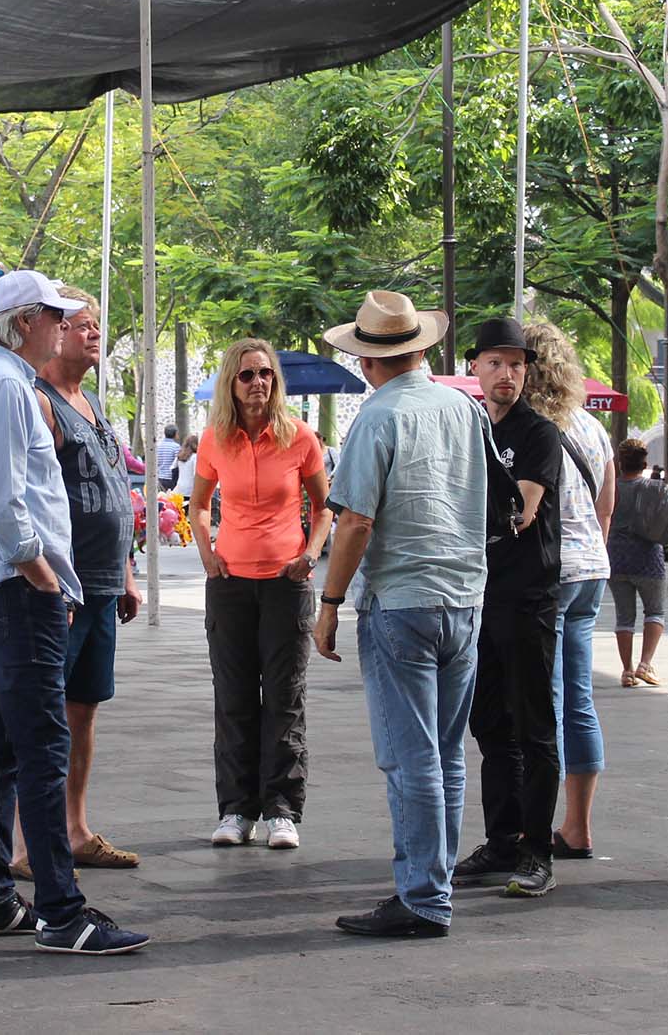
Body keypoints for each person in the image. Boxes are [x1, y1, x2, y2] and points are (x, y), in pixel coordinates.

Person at [0, 268, 148, 956]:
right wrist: (43, 576)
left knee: (1, 747)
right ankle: (62, 910)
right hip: (16, 587)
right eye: (57, 314)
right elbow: (7, 504)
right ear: (26, 319)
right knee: (40, 745)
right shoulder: (6, 387)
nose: (66, 324)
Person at [313, 289, 488, 941]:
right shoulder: (465, 408)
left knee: (410, 756)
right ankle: (432, 888)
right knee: (445, 754)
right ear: (420, 347)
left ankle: (423, 895)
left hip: (403, 600)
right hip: (464, 598)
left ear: (367, 360)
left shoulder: (376, 416)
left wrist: (329, 604)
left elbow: (355, 518)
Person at [13, 285, 143, 873]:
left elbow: (114, 493)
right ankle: (25, 844)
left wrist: (127, 572)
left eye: (97, 325)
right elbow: (29, 500)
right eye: (82, 324)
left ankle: (74, 828)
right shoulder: (38, 402)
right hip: (61, 587)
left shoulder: (90, 404)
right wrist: (47, 579)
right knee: (42, 715)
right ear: (52, 330)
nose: (94, 334)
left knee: (83, 708)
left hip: (102, 583)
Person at [193, 336, 331, 852]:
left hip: (285, 583)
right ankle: (235, 809)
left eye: (265, 374)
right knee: (232, 697)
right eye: (247, 374)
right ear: (232, 382)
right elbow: (200, 504)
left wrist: (312, 552)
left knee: (284, 697)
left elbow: (324, 507)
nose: (257, 383)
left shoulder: (300, 438)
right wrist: (207, 552)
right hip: (228, 583)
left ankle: (280, 809)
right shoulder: (215, 439)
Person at [452, 318, 566, 899]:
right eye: (495, 363)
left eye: (517, 364)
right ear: (475, 367)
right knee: (490, 724)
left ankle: (537, 850)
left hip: (527, 599)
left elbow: (518, 511)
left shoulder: (538, 433)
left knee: (534, 727)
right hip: (476, 595)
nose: (506, 374)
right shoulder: (467, 427)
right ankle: (501, 841)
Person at [521, 319, 614, 862]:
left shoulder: (530, 428)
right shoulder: (590, 427)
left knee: (544, 701)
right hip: (590, 571)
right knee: (578, 699)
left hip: (550, 574)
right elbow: (607, 505)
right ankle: (577, 826)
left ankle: (533, 832)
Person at [608, 438, 668, 688]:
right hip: (649, 558)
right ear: (644, 462)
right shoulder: (656, 488)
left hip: (616, 557)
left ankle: (627, 671)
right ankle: (645, 664)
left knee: (624, 616)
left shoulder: (611, 488)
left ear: (620, 463)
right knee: (655, 611)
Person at [155, 424, 181, 492]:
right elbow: (178, 463)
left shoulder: (158, 446)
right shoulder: (176, 447)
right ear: (175, 434)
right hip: (171, 478)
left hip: (160, 478)